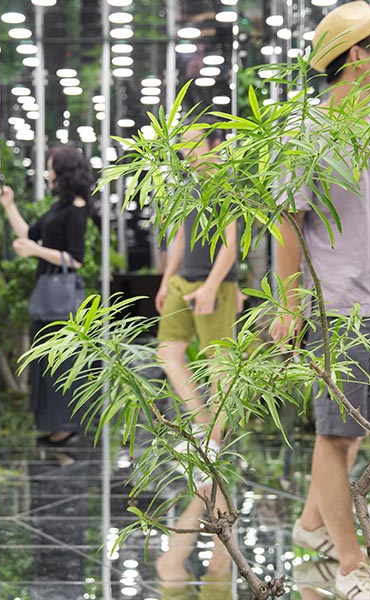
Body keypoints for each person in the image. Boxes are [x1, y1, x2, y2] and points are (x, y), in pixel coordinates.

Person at [271, 3, 370, 599]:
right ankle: (350, 563)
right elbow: (288, 224)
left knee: (353, 436)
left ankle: (309, 526)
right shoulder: (307, 134)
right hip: (340, 310)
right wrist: (289, 305)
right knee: (333, 435)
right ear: (356, 55)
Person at [0, 146, 93, 446]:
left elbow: (76, 259)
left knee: (61, 362)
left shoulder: (77, 208)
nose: (48, 172)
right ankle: (54, 425)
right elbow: (29, 234)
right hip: (48, 296)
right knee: (47, 361)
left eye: (51, 166)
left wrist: (37, 252)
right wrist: (9, 205)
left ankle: (66, 425)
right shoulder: (58, 207)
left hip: (62, 301)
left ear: (62, 171)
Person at [155, 122, 239, 453]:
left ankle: (216, 439)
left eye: (191, 145)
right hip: (182, 280)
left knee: (219, 361)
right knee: (167, 352)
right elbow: (180, 237)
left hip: (214, 284)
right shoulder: (187, 185)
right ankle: (202, 422)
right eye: (182, 148)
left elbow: (231, 243)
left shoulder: (227, 184)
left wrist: (211, 287)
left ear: (213, 144)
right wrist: (166, 281)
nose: (185, 154)